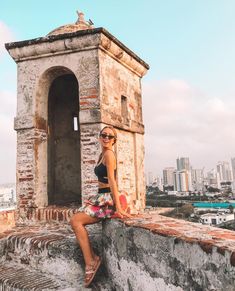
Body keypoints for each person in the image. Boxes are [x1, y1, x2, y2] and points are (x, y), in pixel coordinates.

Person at [70, 125, 131, 288]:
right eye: (103, 135)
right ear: (99, 137)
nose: (106, 138)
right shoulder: (102, 154)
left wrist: (118, 207)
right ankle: (91, 259)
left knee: (76, 221)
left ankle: (91, 261)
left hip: (108, 199)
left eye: (110, 136)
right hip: (101, 197)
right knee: (76, 219)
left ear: (114, 140)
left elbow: (112, 180)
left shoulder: (109, 155)